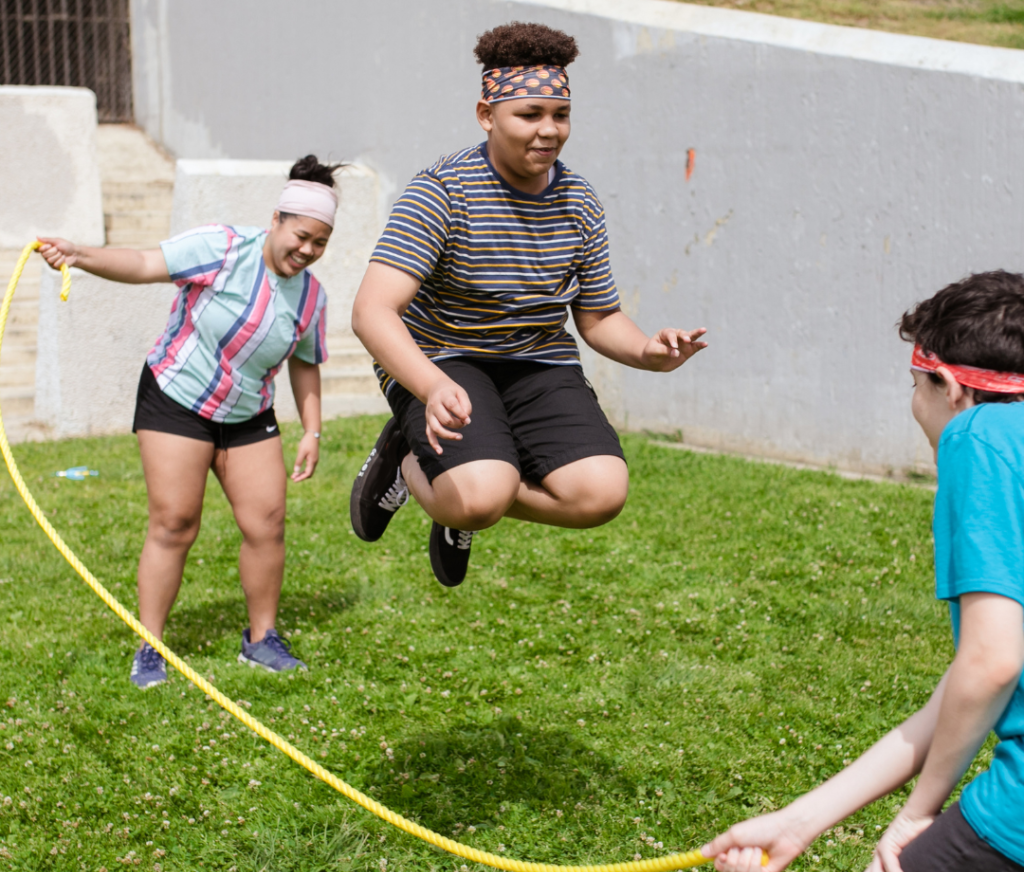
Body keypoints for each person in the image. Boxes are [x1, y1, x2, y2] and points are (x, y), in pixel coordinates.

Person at [703, 271, 1024, 872]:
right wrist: (800, 821)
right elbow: (959, 696)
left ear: (946, 384)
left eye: (914, 387)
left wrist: (920, 817)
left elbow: (992, 658)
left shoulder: (981, 438)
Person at [349, 21, 707, 587]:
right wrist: (430, 387)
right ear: (486, 115)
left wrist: (647, 351)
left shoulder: (579, 200)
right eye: (529, 114)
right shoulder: (441, 191)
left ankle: (468, 482)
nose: (549, 130)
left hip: (537, 361)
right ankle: (418, 465)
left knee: (600, 495)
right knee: (476, 499)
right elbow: (372, 311)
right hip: (442, 358)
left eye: (559, 115)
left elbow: (597, 316)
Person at [36, 155, 338, 688]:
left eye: (320, 243)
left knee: (266, 525)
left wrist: (312, 430)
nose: (307, 251)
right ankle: (150, 646)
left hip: (248, 415)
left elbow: (305, 363)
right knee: (175, 523)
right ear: (277, 219)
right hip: (176, 399)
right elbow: (143, 263)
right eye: (302, 236)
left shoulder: (312, 296)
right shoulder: (222, 248)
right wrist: (80, 255)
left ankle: (261, 639)